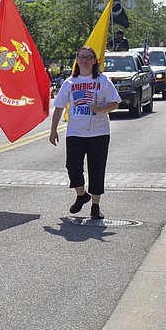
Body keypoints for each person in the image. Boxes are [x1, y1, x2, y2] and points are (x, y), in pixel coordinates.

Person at [49, 45, 121, 219]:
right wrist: (53, 130)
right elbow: (59, 107)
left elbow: (115, 103)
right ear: (77, 60)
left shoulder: (103, 80)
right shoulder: (69, 83)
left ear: (94, 61)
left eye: (89, 57)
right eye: (81, 57)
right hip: (75, 132)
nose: (85, 60)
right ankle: (81, 195)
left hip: (99, 132)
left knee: (96, 169)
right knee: (72, 166)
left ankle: (95, 206)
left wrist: (100, 108)